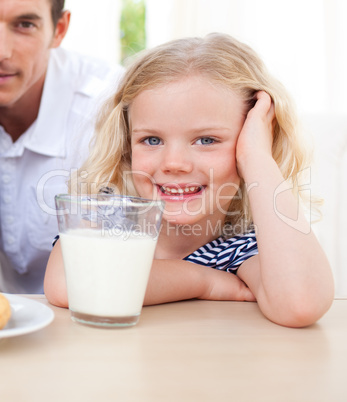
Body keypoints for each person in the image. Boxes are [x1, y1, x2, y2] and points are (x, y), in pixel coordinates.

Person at [44, 33, 334, 327]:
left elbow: (301, 303)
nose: (174, 163)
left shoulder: (242, 245)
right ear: (127, 147)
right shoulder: (112, 214)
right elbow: (70, 284)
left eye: (206, 140)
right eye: (152, 139)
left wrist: (258, 159)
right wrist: (202, 280)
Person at [0, 0, 124, 293]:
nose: (2, 51)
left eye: (25, 25)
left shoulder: (110, 109)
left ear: (59, 29)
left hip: (92, 312)